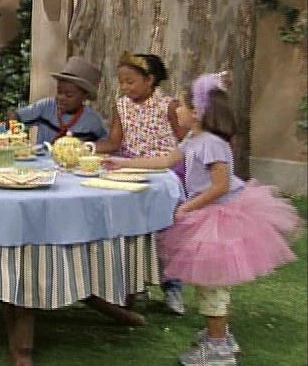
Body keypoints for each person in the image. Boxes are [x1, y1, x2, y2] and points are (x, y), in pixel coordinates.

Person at [103, 73, 302, 366]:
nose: (176, 109)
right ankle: (219, 336)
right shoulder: (193, 139)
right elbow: (165, 161)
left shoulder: (211, 143)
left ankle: (219, 346)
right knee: (208, 283)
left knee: (212, 283)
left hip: (219, 217)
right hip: (206, 213)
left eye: (182, 105)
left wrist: (188, 207)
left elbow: (220, 186)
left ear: (197, 113)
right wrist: (123, 163)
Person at [93, 51, 187, 314]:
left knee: (164, 231)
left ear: (150, 80)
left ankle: (172, 287)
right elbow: (114, 142)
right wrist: (87, 147)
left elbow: (185, 141)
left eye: (130, 82)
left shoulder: (168, 106)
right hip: (129, 169)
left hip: (164, 173)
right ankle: (135, 285)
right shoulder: (121, 106)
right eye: (121, 82)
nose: (125, 87)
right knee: (133, 228)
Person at [10, 56, 107, 145]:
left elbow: (106, 143)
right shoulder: (46, 107)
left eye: (69, 95)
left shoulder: (93, 121)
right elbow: (16, 117)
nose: (61, 98)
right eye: (59, 92)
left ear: (84, 96)